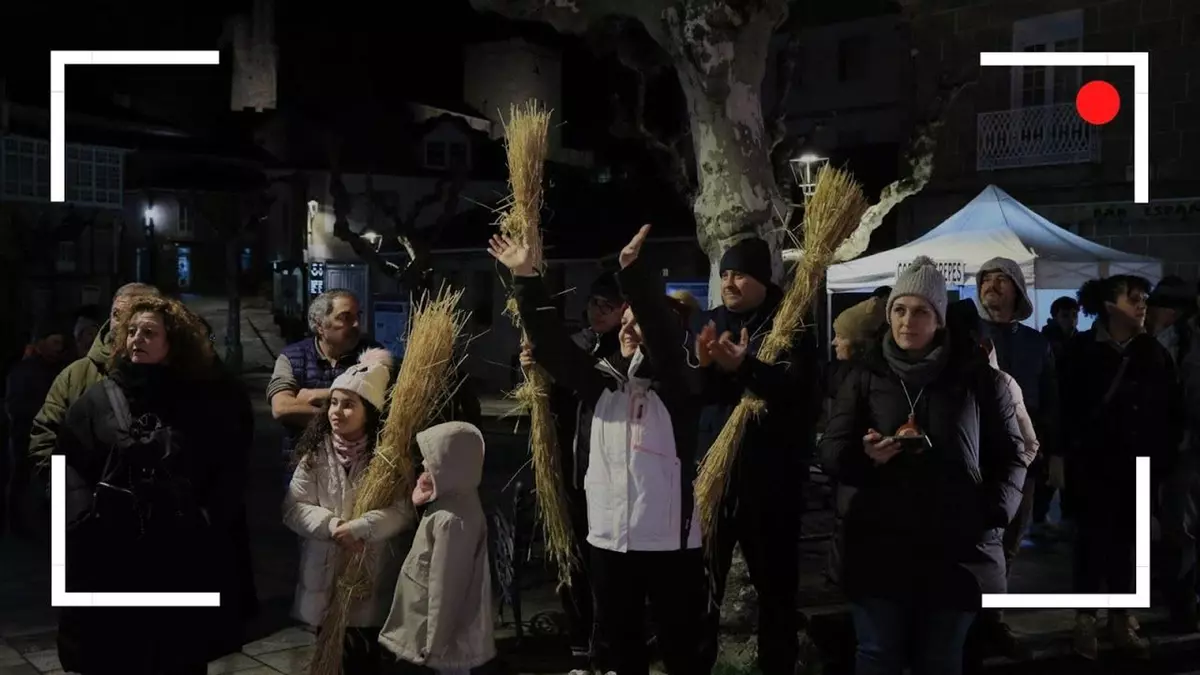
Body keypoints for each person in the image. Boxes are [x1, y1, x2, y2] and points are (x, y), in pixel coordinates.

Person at [491, 225, 708, 675]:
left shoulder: (677, 388)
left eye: (635, 322)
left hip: (669, 542)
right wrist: (527, 278)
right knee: (621, 646)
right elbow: (552, 346)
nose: (627, 330)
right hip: (609, 539)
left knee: (681, 647)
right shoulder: (602, 386)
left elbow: (664, 342)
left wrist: (633, 274)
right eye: (624, 323)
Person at [818, 256, 1027, 675]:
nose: (907, 321)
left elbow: (1012, 454)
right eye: (899, 309)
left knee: (941, 659)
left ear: (939, 319)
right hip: (878, 544)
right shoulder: (864, 376)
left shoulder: (977, 379)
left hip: (954, 547)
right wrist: (865, 457)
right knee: (878, 655)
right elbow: (831, 450)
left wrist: (991, 514)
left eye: (920, 312)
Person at [55, 295, 251, 674]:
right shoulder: (97, 401)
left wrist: (208, 515)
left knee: (177, 653)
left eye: (149, 332)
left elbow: (227, 467)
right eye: (132, 331)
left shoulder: (199, 401)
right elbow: (68, 463)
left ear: (171, 342)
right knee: (117, 653)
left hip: (179, 552)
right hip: (113, 553)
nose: (137, 339)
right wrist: (80, 519)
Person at [694, 236, 822, 675]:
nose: (729, 283)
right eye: (725, 275)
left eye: (740, 275)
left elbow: (800, 393)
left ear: (763, 279)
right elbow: (694, 396)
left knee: (776, 592)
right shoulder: (710, 322)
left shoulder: (790, 324)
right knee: (699, 590)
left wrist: (746, 367)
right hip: (715, 480)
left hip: (772, 484)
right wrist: (704, 368)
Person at [1061, 275, 1182, 659]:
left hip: (1139, 466)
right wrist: (1062, 458)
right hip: (1093, 467)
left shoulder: (1154, 353)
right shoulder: (1080, 351)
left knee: (1129, 546)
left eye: (1144, 297)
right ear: (1109, 305)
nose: (1142, 304)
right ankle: (1085, 620)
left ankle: (1120, 618)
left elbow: (1171, 412)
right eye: (1133, 298)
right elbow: (1063, 408)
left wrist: (1162, 462)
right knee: (1090, 543)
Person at [285, 348, 410, 675]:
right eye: (334, 403)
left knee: (363, 657)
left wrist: (362, 527)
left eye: (349, 404)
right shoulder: (316, 454)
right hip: (323, 572)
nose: (337, 412)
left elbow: (402, 511)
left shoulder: (386, 459)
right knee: (329, 651)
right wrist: (332, 526)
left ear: (369, 411)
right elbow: (294, 507)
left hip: (367, 574)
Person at [529, 269, 627, 665]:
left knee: (605, 564)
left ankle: (608, 645)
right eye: (593, 304)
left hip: (605, 476)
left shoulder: (624, 350)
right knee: (572, 559)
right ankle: (580, 641)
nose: (598, 312)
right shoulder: (577, 342)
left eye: (608, 306)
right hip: (569, 469)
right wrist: (535, 370)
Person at [973, 257, 1060, 659]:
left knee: (1009, 542)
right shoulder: (965, 337)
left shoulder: (1037, 343)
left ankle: (992, 621)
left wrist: (1052, 454)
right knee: (973, 542)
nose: (991, 285)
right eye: (986, 280)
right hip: (973, 457)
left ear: (1017, 291)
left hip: (1023, 460)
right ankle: (967, 622)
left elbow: (1050, 402)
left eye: (1001, 280)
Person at [379, 421, 497, 675]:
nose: (424, 464)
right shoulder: (456, 500)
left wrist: (434, 643)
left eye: (432, 459)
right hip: (440, 631)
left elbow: (447, 586)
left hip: (440, 638)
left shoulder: (451, 520)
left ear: (453, 467)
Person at [28, 283, 162, 465]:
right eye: (116, 314)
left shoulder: (173, 374)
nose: (119, 323)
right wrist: (61, 483)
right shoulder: (76, 375)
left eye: (131, 314)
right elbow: (47, 441)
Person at [268, 290, 382, 479]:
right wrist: (348, 411)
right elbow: (282, 408)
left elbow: (379, 403)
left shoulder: (372, 355)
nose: (356, 324)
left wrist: (317, 395)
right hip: (303, 470)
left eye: (358, 316)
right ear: (320, 325)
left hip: (358, 472)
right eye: (345, 317)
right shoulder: (292, 357)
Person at [4, 323, 67, 537]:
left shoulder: (59, 369)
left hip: (52, 436)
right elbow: (16, 406)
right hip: (25, 436)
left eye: (61, 343)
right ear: (41, 343)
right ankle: (17, 527)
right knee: (21, 479)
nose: (59, 348)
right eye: (54, 342)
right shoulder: (24, 370)